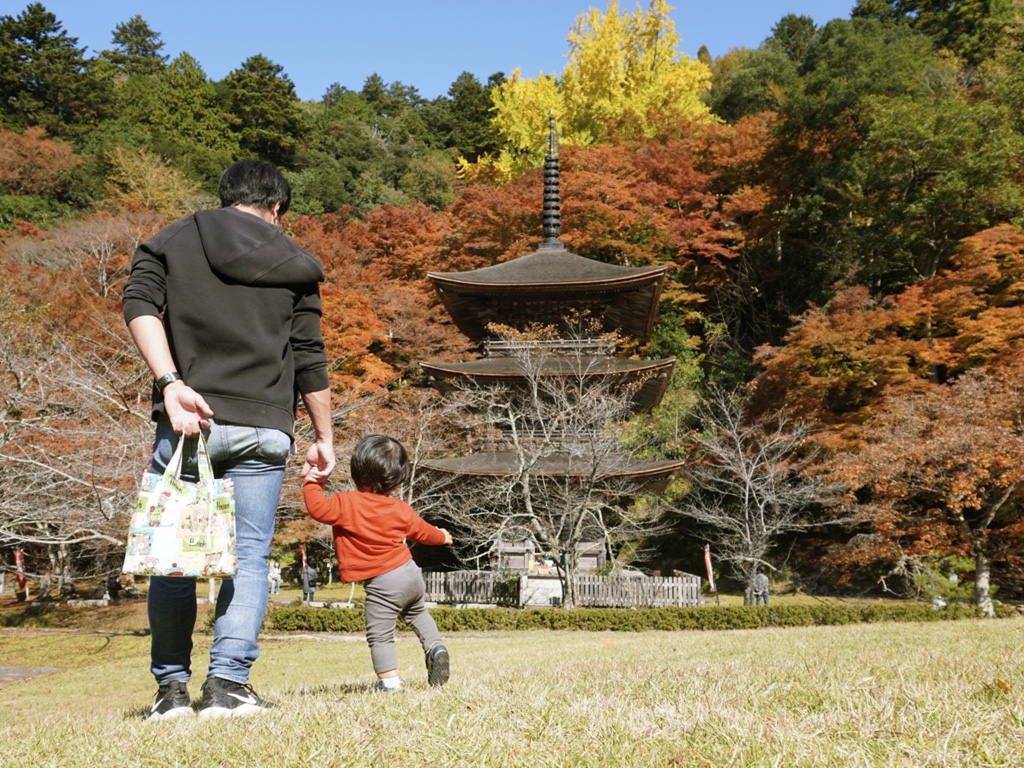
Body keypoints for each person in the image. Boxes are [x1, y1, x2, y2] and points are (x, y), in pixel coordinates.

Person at [123, 160, 335, 721]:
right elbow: (310, 356)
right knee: (249, 557)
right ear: (276, 209)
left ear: (225, 198)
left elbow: (138, 304)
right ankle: (227, 688)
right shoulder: (294, 262)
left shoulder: (171, 239)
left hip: (190, 421)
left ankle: (170, 693)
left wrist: (172, 384)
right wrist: (324, 437)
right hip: (264, 425)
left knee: (175, 558)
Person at [302, 434, 452, 692]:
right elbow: (423, 531)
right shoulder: (402, 509)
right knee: (417, 613)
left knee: (380, 635)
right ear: (396, 483)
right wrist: (443, 537)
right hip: (410, 574)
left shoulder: (345, 503)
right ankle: (435, 646)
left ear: (356, 473)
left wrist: (313, 480)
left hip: (384, 583)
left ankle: (390, 684)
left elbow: (318, 509)